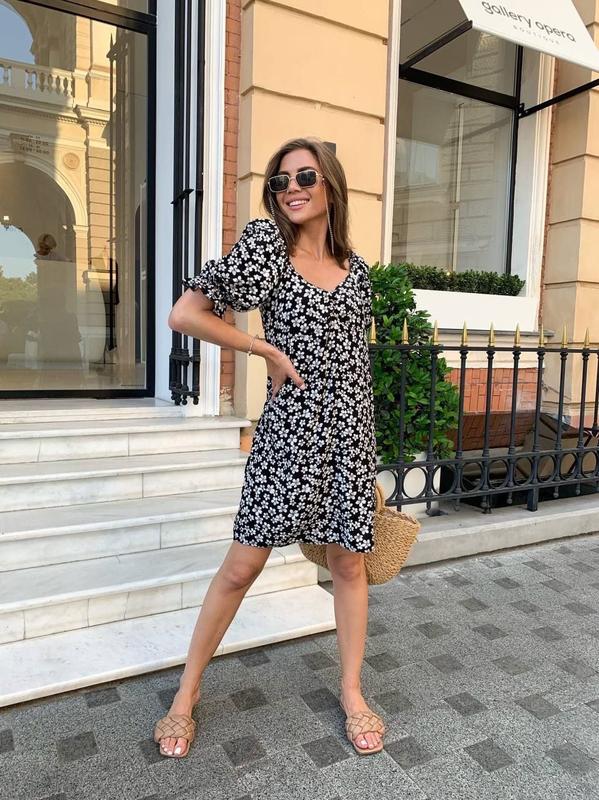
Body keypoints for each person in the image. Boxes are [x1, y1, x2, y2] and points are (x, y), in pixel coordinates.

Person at [155, 136, 385, 758]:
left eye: (305, 176)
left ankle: (352, 692)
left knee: (348, 566)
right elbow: (185, 314)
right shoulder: (266, 248)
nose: (291, 190)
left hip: (347, 440)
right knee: (241, 567)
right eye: (280, 182)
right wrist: (262, 348)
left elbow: (357, 369)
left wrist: (366, 462)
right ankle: (185, 695)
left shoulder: (358, 271)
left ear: (331, 182)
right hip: (286, 437)